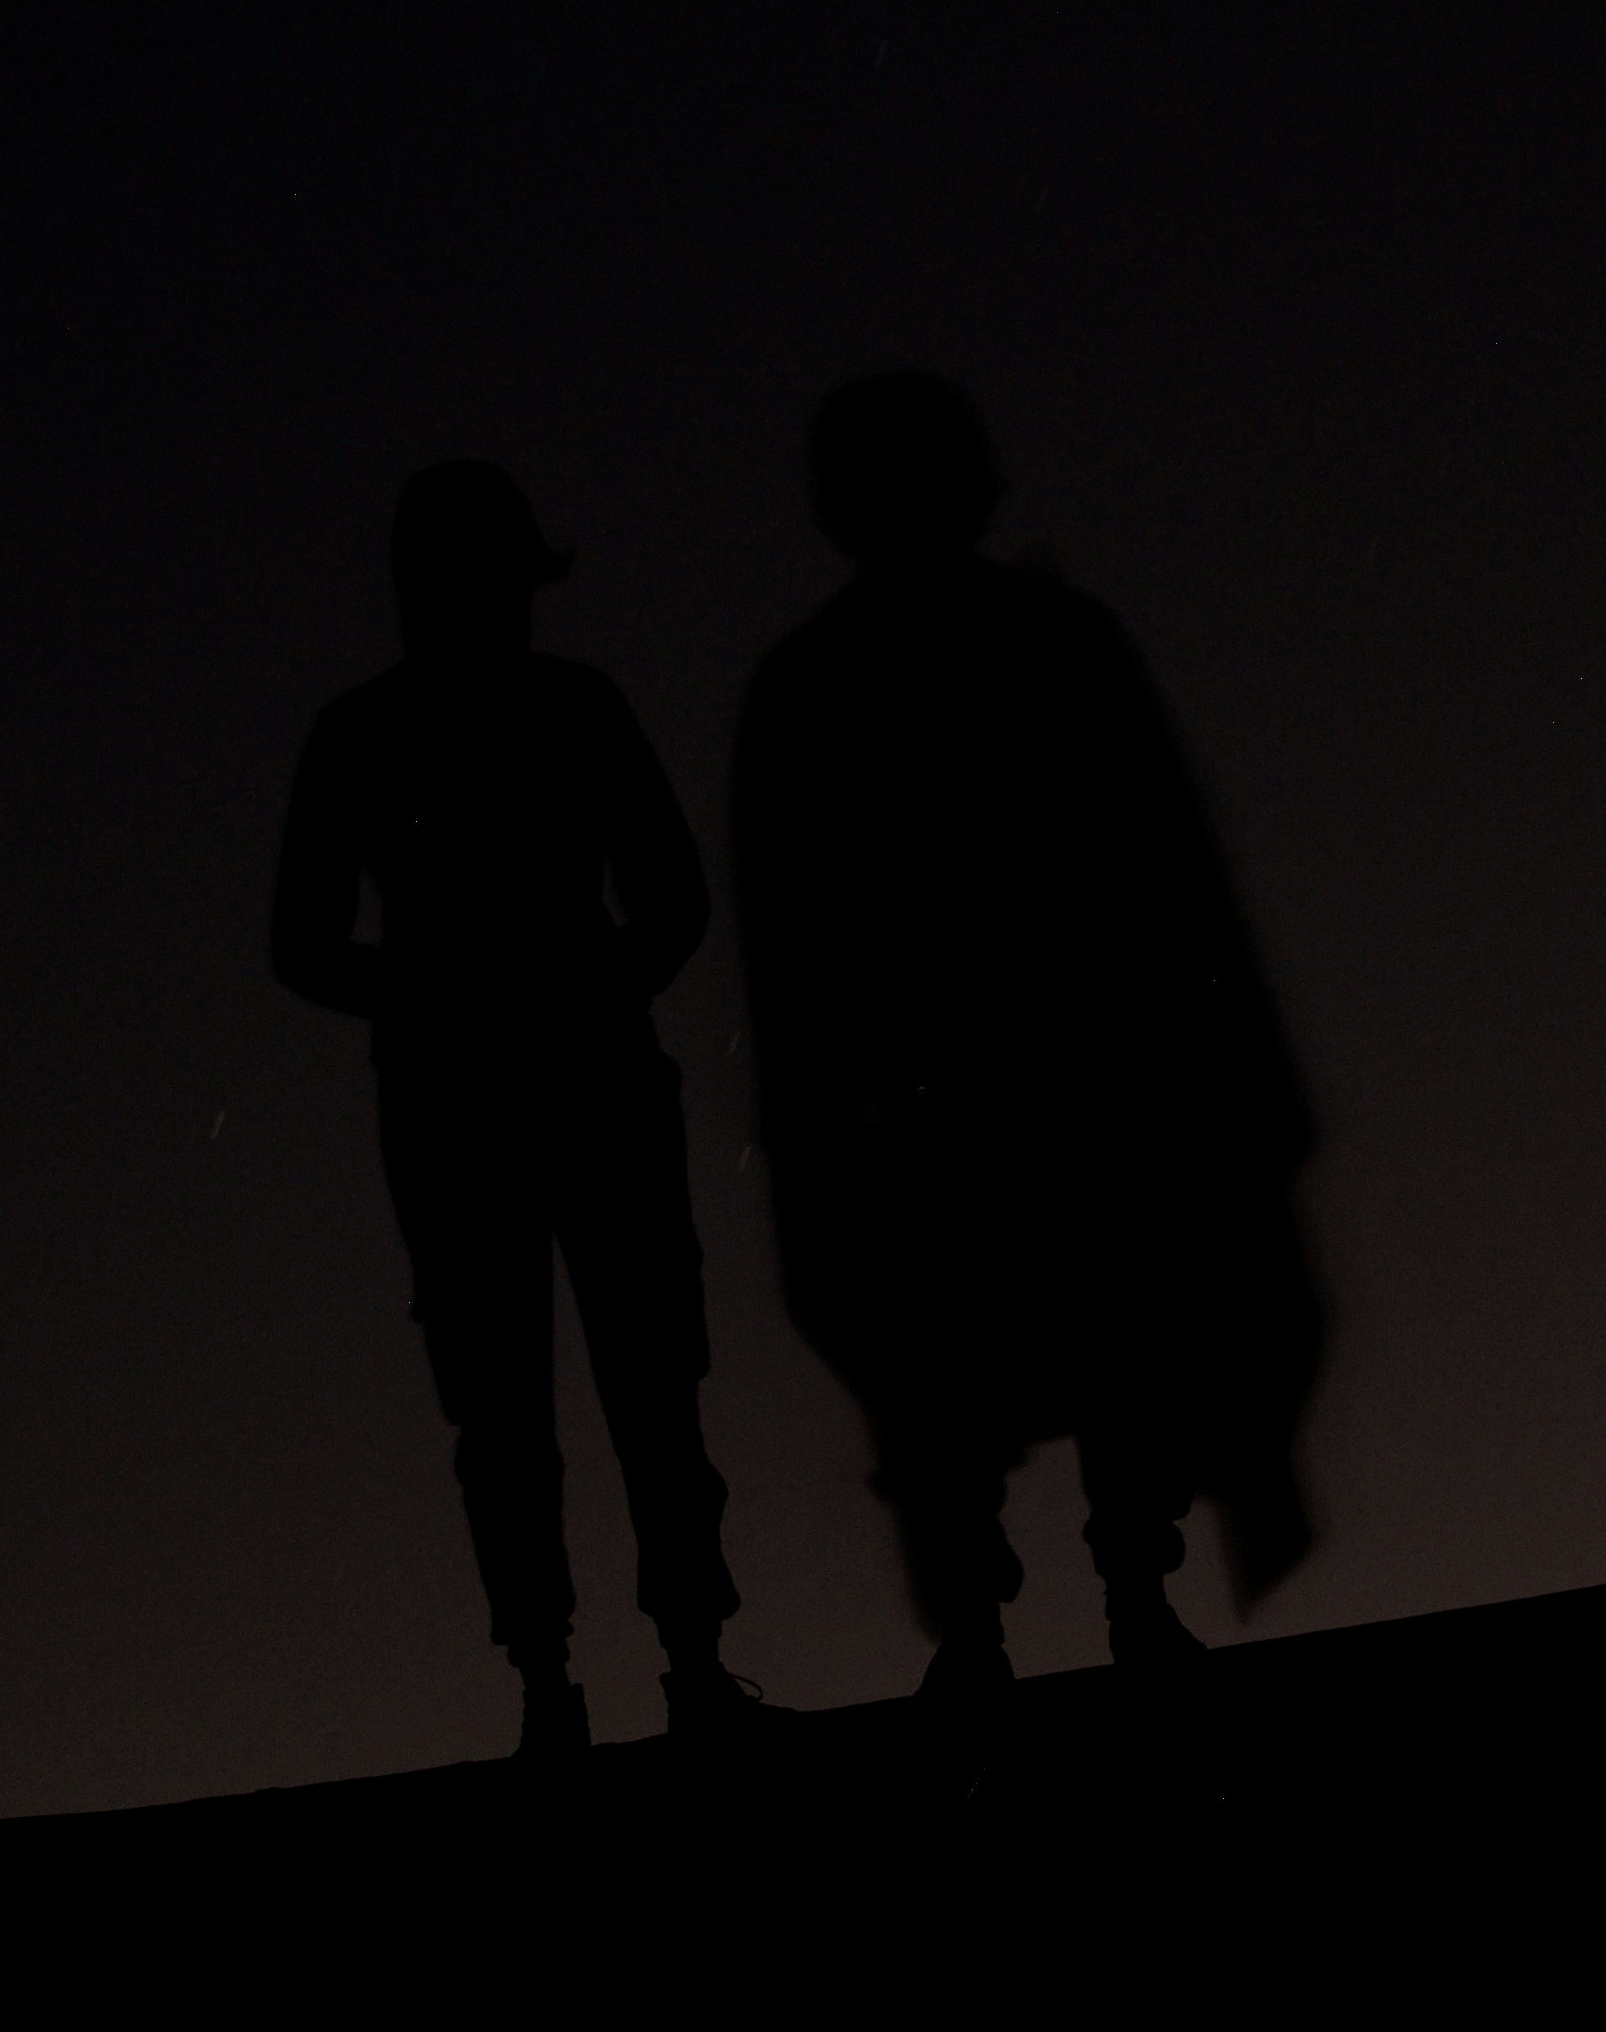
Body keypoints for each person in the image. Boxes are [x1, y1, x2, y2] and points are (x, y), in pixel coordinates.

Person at [733, 373, 1322, 1734]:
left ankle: (1092, 1600)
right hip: (964, 1088)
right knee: (987, 1350)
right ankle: (1050, 1611)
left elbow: (1167, 868)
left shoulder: (875, 673)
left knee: (1086, 1333)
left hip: (1046, 1075)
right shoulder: (919, 667)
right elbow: (792, 934)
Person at [272, 460, 767, 1756]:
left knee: (609, 1382)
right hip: (505, 1087)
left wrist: (498, 989)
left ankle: (623, 1671)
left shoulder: (424, 724)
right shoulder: (511, 715)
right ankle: (601, 1672)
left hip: (526, 1083)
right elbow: (302, 941)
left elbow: (671, 896)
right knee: (541, 1396)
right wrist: (511, 988)